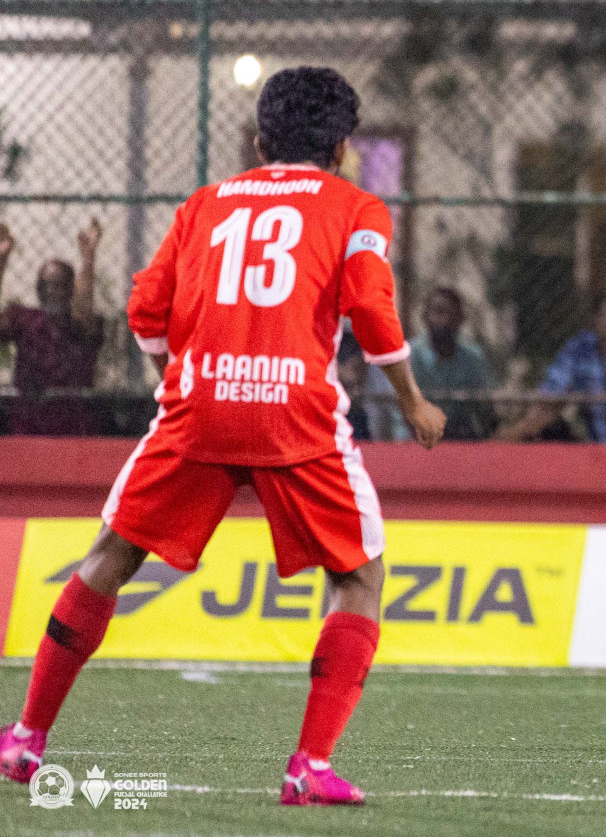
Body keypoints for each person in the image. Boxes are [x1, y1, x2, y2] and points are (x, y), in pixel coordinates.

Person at [0, 67, 447, 805]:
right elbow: (370, 309)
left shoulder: (205, 204)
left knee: (110, 556)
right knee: (360, 577)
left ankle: (24, 738)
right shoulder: (358, 206)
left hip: (199, 406)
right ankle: (309, 766)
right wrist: (415, 400)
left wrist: (171, 378)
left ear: (259, 138)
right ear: (341, 145)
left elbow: (145, 309)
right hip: (295, 417)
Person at [504, 289, 606, 443]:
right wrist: (516, 432)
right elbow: (553, 393)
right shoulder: (579, 349)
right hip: (597, 449)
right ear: (596, 319)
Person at [0, 219, 106, 435]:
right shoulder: (25, 320)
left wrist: (88, 258)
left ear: (70, 290)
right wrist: (1, 259)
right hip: (27, 427)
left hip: (74, 430)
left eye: (59, 285)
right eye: (45, 285)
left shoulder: (80, 326)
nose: (51, 292)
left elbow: (85, 315)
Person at [371, 287, 496, 441]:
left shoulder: (473, 357)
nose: (445, 320)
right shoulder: (409, 356)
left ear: (461, 319)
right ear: (425, 317)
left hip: (458, 438)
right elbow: (402, 409)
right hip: (413, 439)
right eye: (438, 312)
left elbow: (484, 408)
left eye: (452, 314)